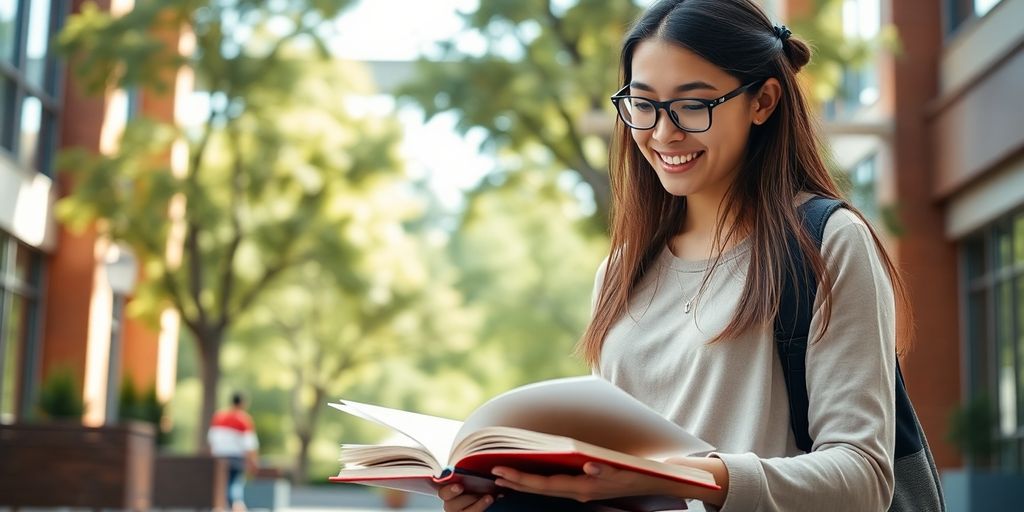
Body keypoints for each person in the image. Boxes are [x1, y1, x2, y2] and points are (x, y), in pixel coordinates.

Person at [439, 0, 910, 511]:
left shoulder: (826, 243)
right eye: (643, 104)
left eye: (693, 104)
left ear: (764, 102)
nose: (664, 132)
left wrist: (684, 478)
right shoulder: (622, 270)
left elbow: (863, 478)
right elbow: (609, 476)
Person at [209, 391, 260, 512]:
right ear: (243, 403)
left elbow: (211, 440)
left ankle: (222, 507)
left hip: (219, 458)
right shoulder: (243, 419)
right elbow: (249, 445)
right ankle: (236, 507)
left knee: (221, 487)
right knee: (234, 486)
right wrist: (253, 462)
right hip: (235, 458)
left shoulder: (218, 417)